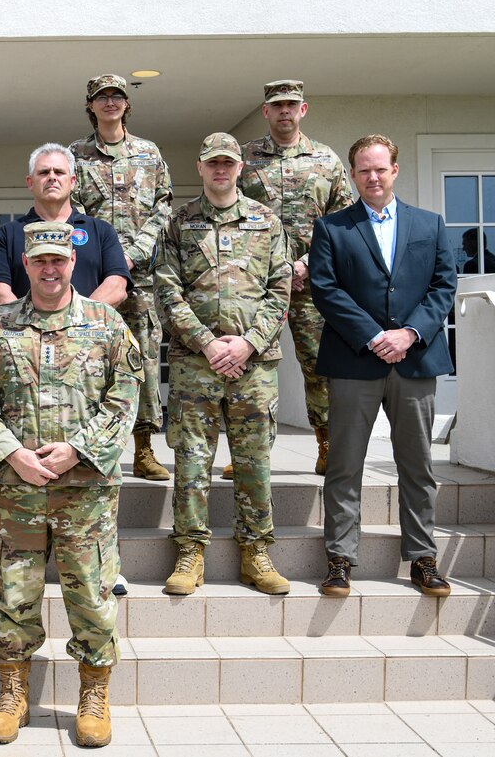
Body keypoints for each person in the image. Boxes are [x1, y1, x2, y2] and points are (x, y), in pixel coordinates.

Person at [0, 222, 141, 747]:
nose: (49, 269)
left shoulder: (106, 324)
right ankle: (12, 694)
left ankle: (93, 694)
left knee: (90, 593)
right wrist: (10, 452)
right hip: (15, 489)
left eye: (58, 261)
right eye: (39, 261)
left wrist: (78, 450)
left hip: (85, 490)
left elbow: (125, 395)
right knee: (14, 593)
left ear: (71, 264)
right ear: (25, 265)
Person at [309, 134, 457, 598]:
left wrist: (409, 333)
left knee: (417, 465)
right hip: (355, 361)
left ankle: (423, 557)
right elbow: (325, 289)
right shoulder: (332, 228)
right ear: (353, 175)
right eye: (363, 170)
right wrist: (374, 336)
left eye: (380, 169)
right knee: (345, 464)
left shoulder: (430, 225)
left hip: (415, 360)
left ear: (395, 170)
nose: (372, 177)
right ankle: (340, 558)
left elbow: (443, 286)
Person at [154, 133, 292, 596]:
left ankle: (256, 551)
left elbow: (280, 290)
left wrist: (248, 345)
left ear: (239, 168)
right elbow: (167, 291)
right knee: (192, 462)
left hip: (254, 367)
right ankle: (190, 551)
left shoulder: (266, 221)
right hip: (196, 364)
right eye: (213, 162)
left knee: (254, 462)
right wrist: (209, 345)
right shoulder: (179, 223)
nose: (221, 170)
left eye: (228, 163)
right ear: (200, 167)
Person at [236, 80, 353, 478]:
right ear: (265, 111)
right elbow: (229, 215)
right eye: (276, 105)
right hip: (255, 284)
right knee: (249, 366)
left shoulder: (326, 159)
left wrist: (305, 263)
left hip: (310, 282)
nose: (284, 111)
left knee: (319, 365)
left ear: (304, 109)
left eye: (291, 104)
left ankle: (326, 445)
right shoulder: (244, 158)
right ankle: (248, 453)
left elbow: (344, 222)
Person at [70, 73, 174, 481]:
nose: (110, 102)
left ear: (127, 104)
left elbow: (163, 207)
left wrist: (130, 256)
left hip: (142, 277)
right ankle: (90, 446)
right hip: (94, 278)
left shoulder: (148, 153)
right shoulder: (75, 154)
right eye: (102, 97)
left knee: (144, 362)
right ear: (91, 105)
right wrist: (107, 258)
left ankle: (144, 449)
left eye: (117, 96)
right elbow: (73, 213)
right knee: (90, 359)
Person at [0, 142, 130, 310]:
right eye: (44, 172)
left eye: (59, 172)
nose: (52, 177)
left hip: (87, 334)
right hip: (25, 334)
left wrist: (77, 324)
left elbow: (117, 287)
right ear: (30, 183)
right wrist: (30, 328)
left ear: (72, 182)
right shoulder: (8, 235)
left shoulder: (101, 232)